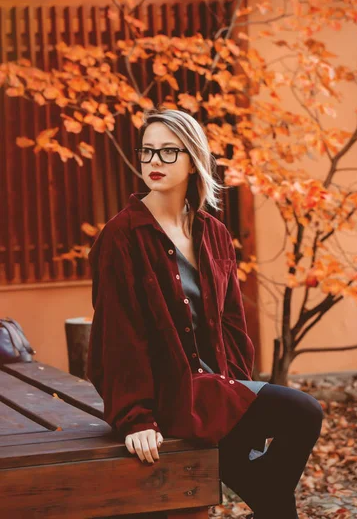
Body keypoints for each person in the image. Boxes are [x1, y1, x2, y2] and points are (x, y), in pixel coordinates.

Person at [87, 108, 324, 519]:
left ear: (193, 159)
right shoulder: (121, 236)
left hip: (217, 389)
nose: (153, 163)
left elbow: (232, 322)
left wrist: (240, 386)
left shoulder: (212, 231)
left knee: (296, 431)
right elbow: (118, 334)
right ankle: (266, 490)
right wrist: (136, 418)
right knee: (302, 416)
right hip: (169, 395)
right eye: (147, 152)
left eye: (167, 152)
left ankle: (266, 489)